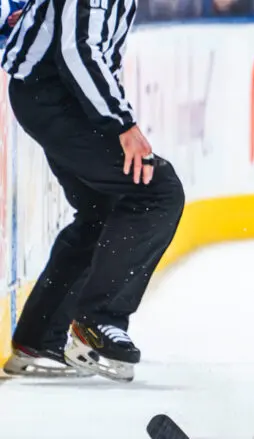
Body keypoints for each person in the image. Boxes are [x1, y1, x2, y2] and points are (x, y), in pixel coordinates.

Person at [0, 0, 185, 382]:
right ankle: (97, 323)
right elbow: (78, 49)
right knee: (157, 190)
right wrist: (121, 123)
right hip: (53, 98)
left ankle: (39, 339)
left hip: (52, 96)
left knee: (105, 208)